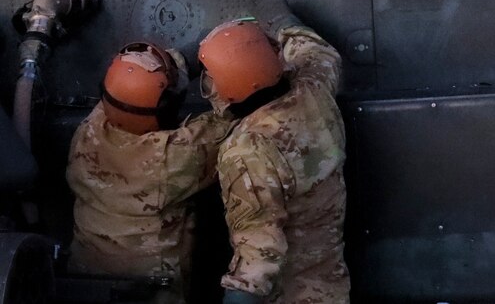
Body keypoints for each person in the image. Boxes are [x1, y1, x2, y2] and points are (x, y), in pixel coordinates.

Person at [67, 41, 234, 303]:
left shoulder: (90, 130)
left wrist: (163, 71)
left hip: (88, 284)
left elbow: (127, 88)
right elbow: (232, 114)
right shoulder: (173, 157)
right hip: (149, 291)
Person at [198, 15, 349, 304]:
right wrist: (277, 30)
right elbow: (319, 51)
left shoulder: (247, 149)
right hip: (331, 288)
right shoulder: (313, 90)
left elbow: (256, 263)